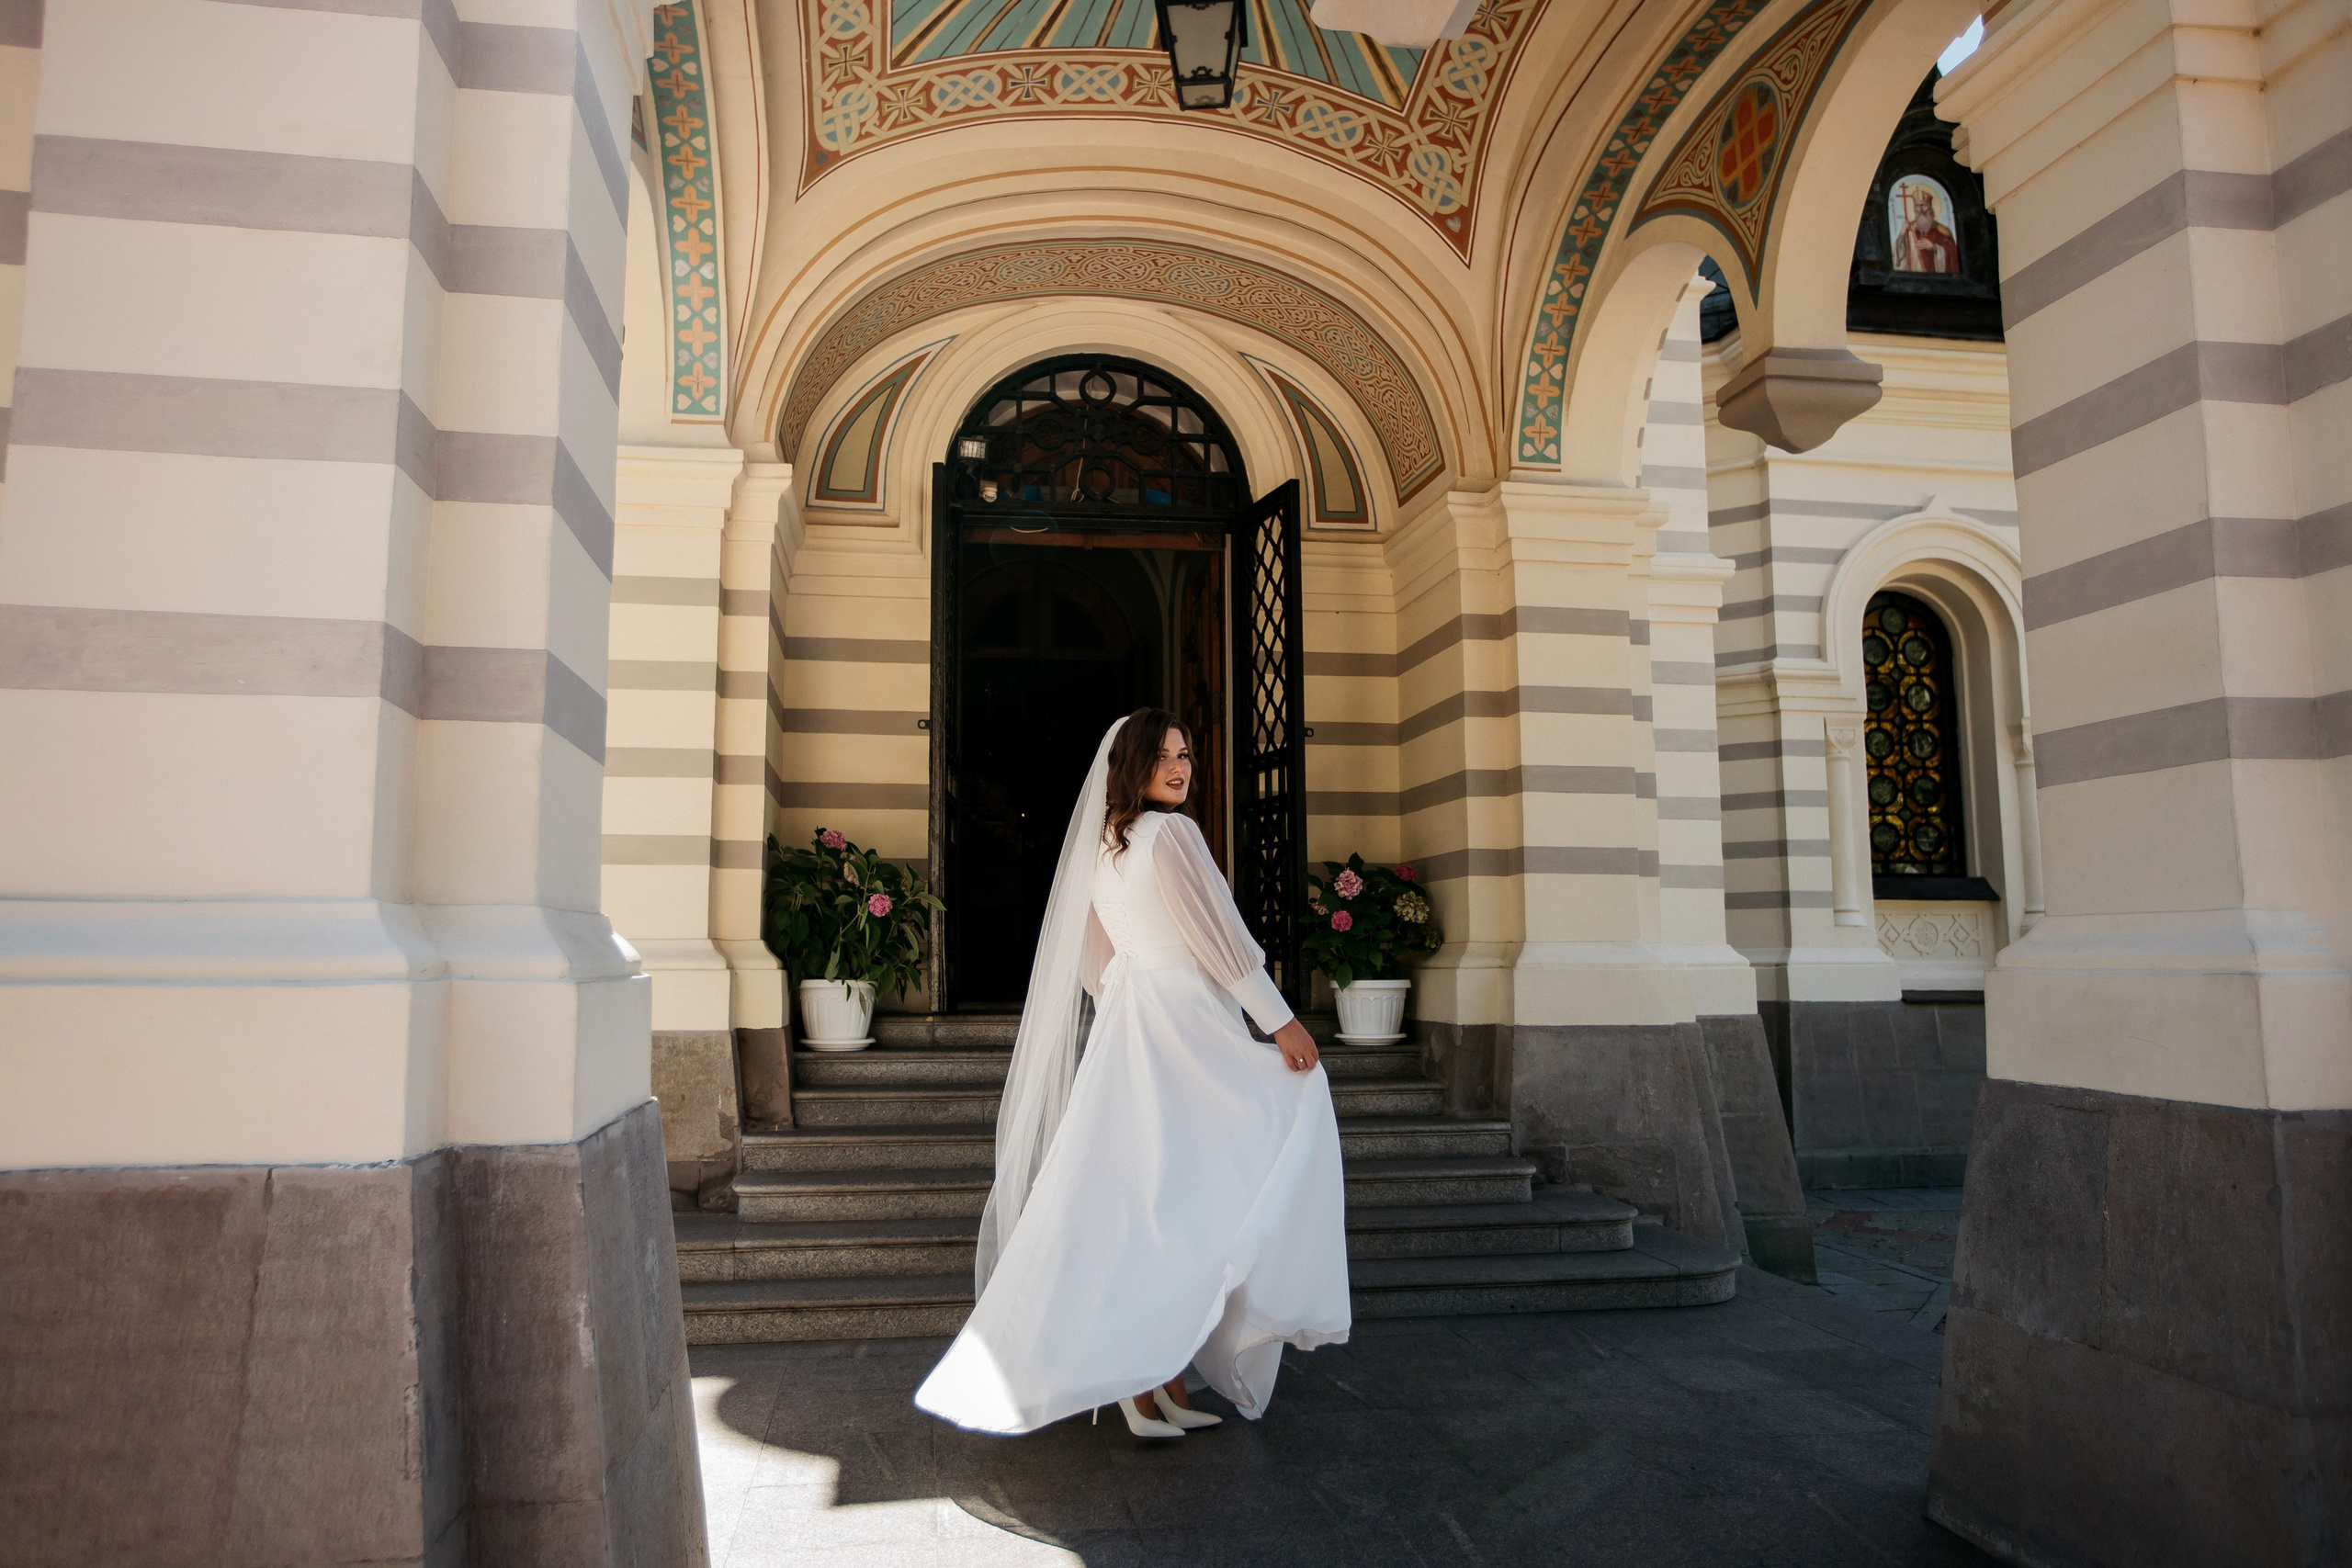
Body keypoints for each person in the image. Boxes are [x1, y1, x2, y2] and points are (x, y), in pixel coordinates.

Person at [914, 709, 1351, 1438]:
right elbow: (1223, 939)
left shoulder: (1101, 847)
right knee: (1213, 1174)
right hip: (1179, 1020)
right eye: (1165, 756)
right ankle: (1153, 1376)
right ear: (1134, 765)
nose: (1181, 768)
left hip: (1129, 1020)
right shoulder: (1173, 834)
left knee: (1149, 1204)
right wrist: (1281, 1021)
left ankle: (1153, 1380)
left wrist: (1127, 996)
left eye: (1187, 754)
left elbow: (1092, 958)